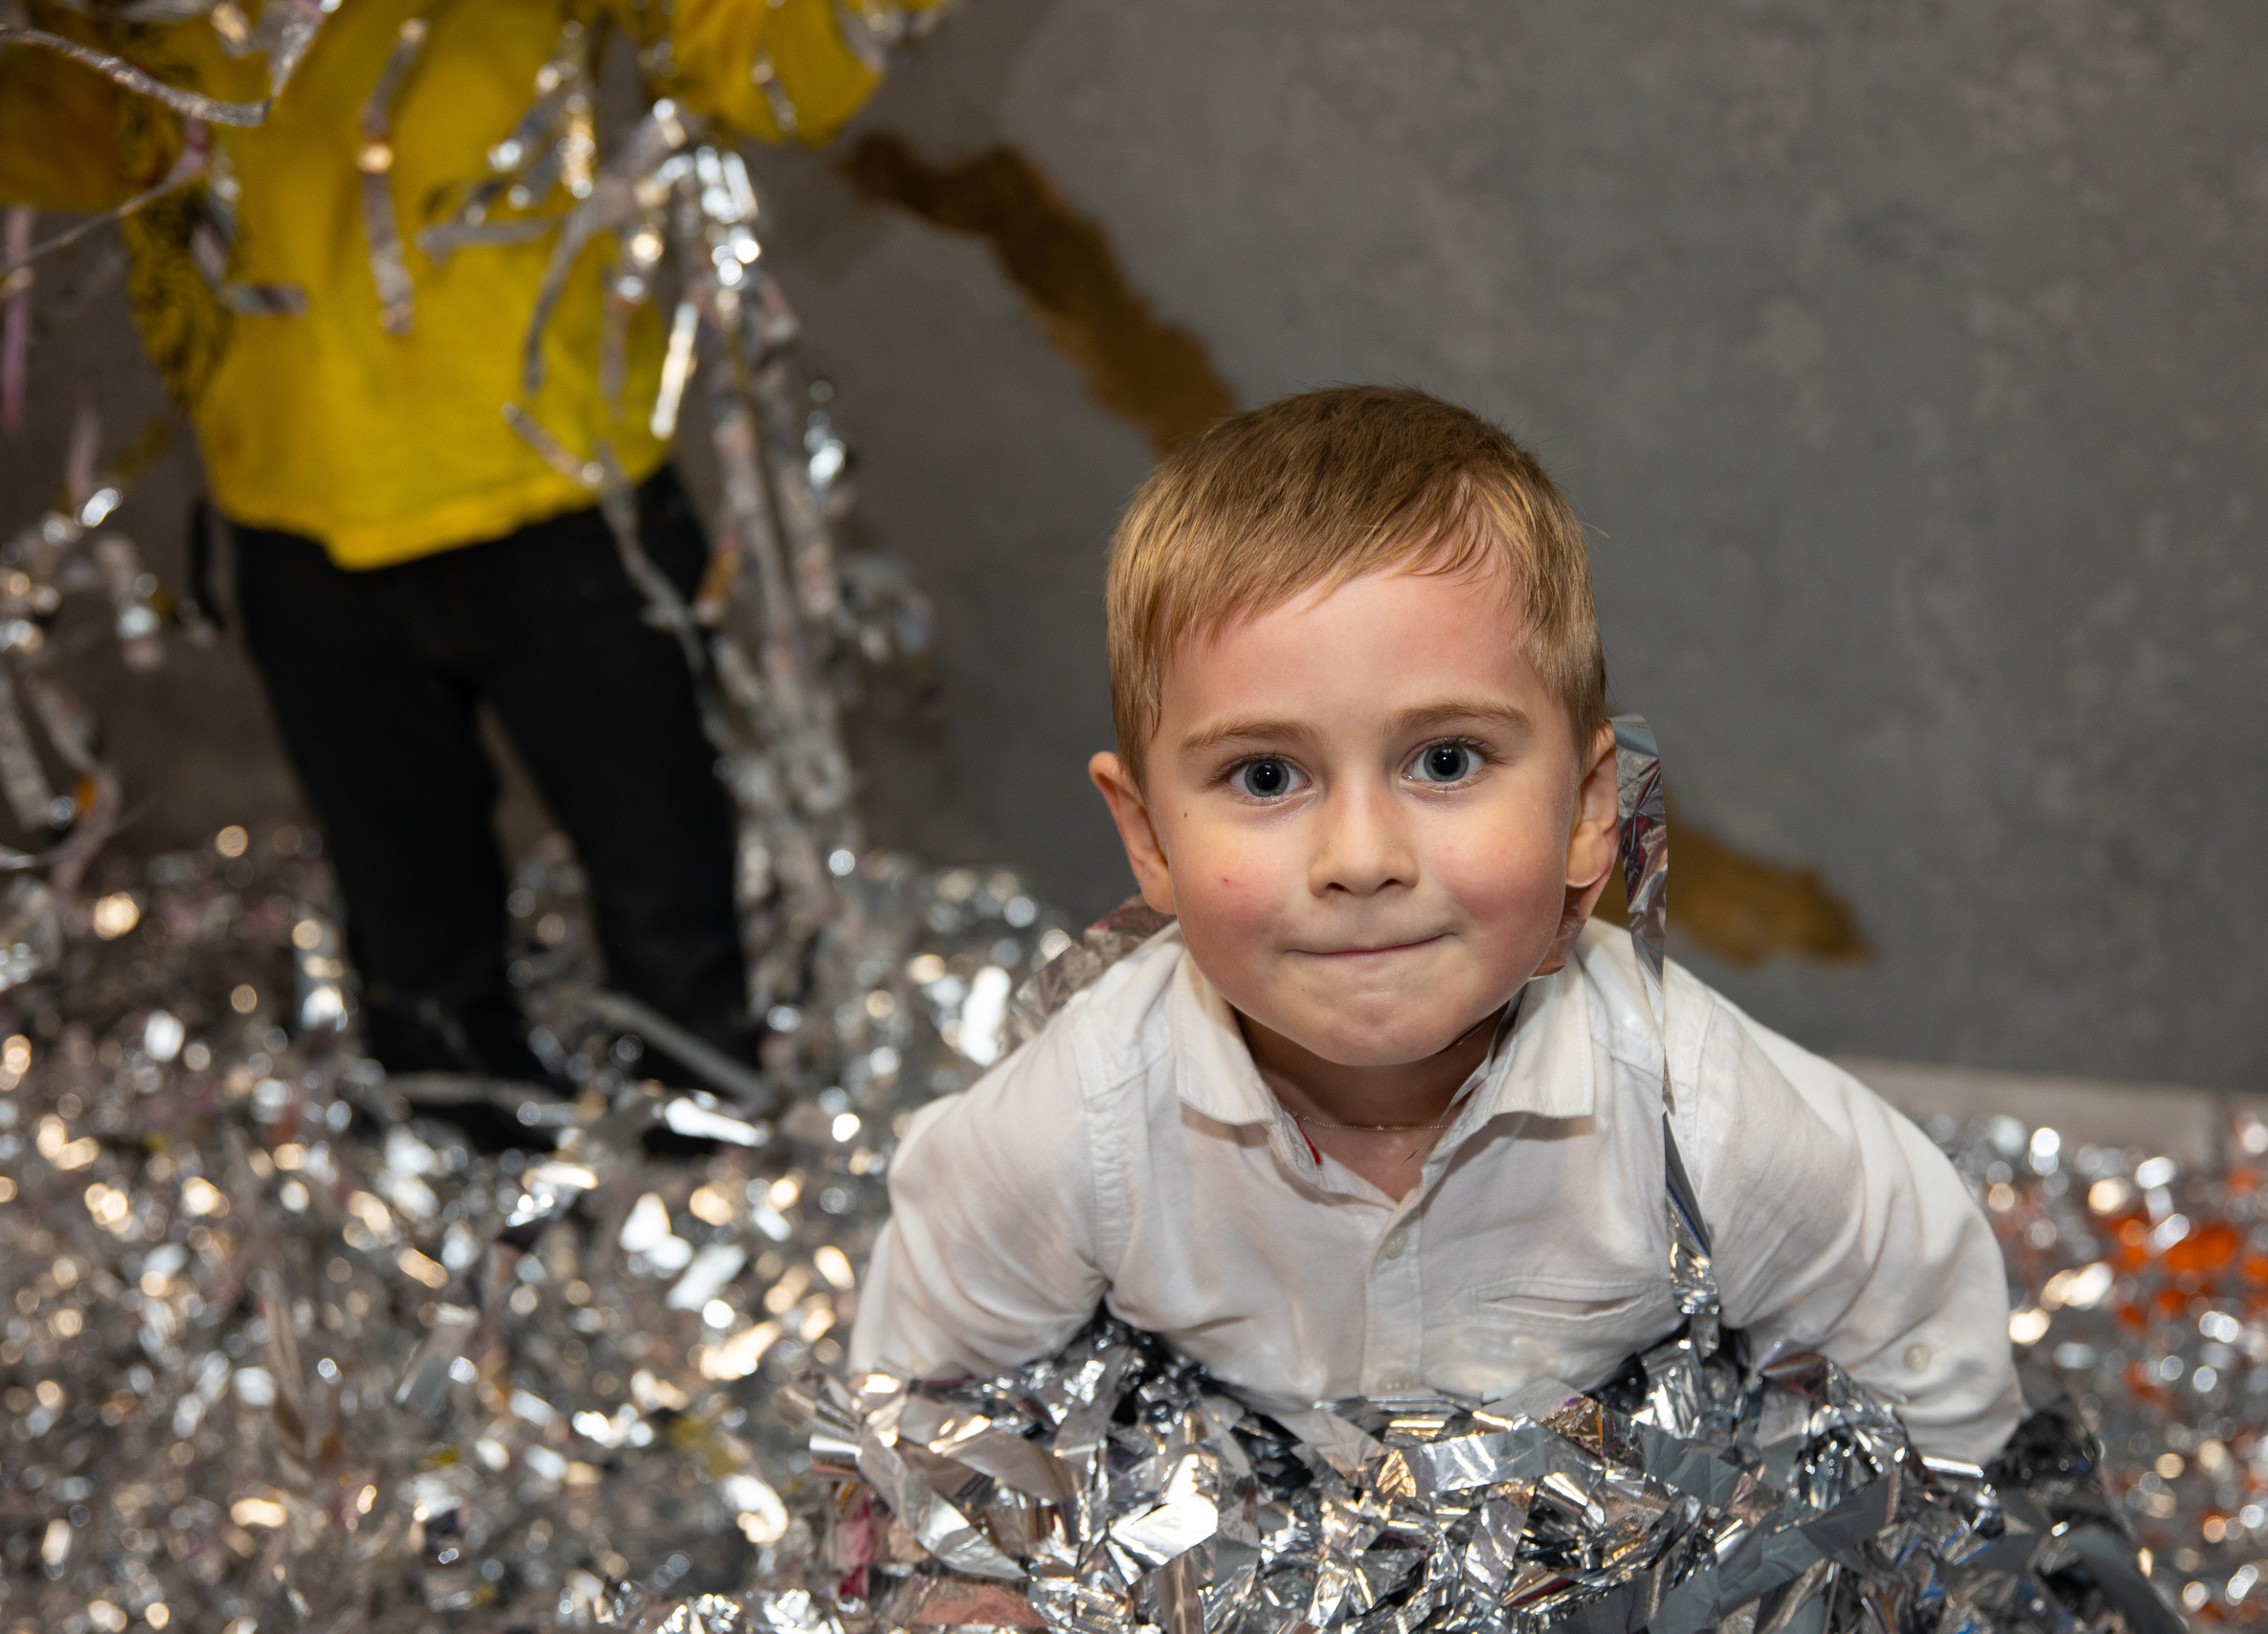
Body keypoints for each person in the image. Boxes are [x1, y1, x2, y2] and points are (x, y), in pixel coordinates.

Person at [848, 386, 2021, 1463]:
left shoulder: (1703, 1117)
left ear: (1588, 813)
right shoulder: (1078, 1124)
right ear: (1148, 836)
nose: (1361, 860)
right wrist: (957, 1565)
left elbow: (1920, 1327)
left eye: (1446, 760)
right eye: (1265, 778)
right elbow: (921, 1380)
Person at [0, 3, 932, 1135]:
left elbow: (750, 64)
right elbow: (96, 130)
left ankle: (705, 1170)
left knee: (675, 892)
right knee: (413, 934)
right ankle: (471, 1190)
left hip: (565, 502)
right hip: (300, 513)